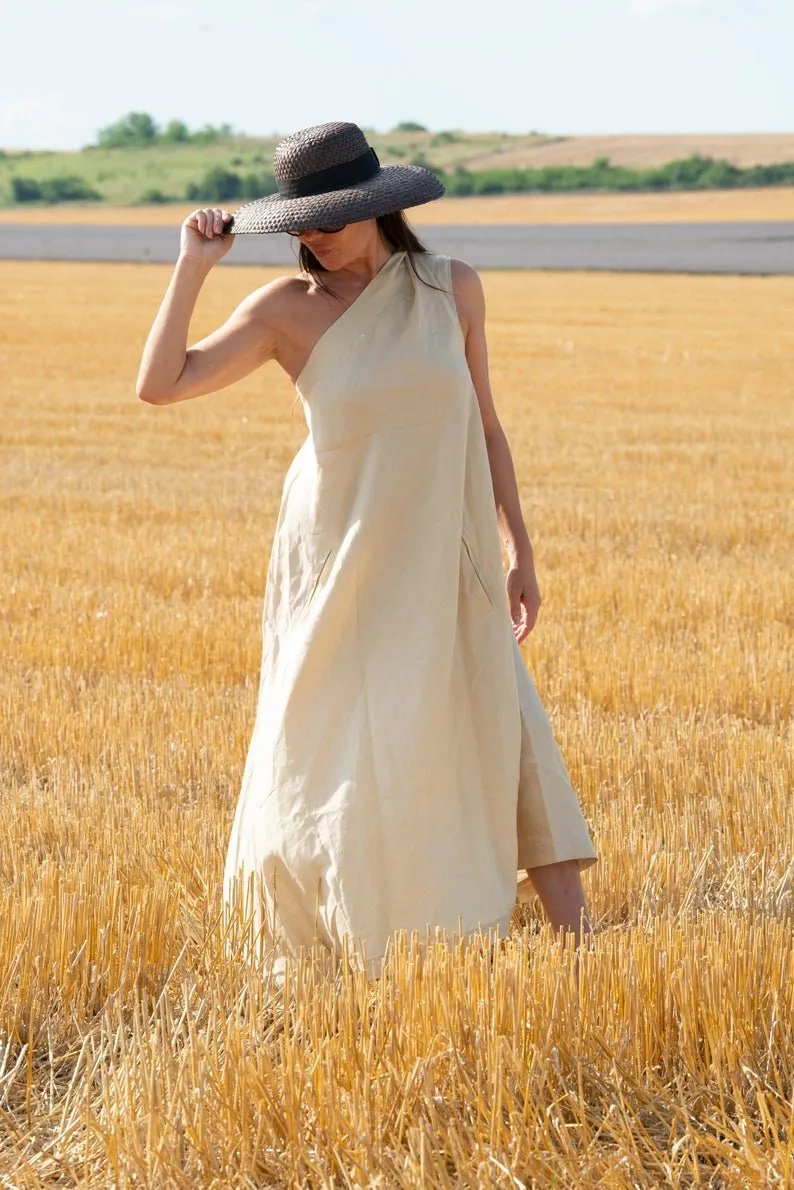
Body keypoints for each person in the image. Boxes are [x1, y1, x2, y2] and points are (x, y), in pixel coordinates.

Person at [137, 120, 597, 985]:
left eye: (333, 214)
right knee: (331, 745)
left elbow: (488, 427)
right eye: (302, 218)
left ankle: (580, 950)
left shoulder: (452, 288)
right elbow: (160, 385)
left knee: (505, 716)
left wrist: (519, 551)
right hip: (335, 557)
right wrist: (192, 269)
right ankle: (353, 934)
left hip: (444, 542)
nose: (316, 232)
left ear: (378, 205)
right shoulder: (283, 310)